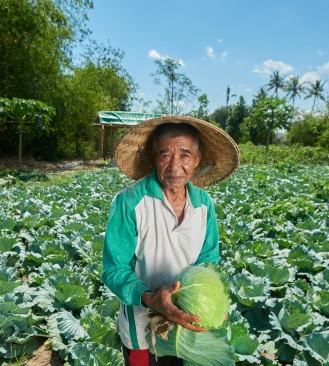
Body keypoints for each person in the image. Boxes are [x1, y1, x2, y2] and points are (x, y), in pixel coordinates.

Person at [102, 115, 240, 366]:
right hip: (141, 328)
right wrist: (150, 297)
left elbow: (208, 260)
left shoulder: (204, 205)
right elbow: (114, 270)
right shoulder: (130, 202)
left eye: (185, 154)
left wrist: (213, 299)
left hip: (186, 324)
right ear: (154, 158)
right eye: (165, 154)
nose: (175, 166)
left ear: (197, 159)